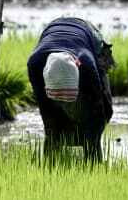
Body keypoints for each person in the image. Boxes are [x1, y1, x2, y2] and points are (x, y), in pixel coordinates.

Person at [27, 17, 114, 161]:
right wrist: (53, 129)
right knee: (51, 126)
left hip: (88, 33)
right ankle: (52, 163)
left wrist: (91, 136)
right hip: (52, 29)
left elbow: (99, 105)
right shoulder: (35, 64)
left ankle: (94, 162)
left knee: (99, 114)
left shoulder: (87, 64)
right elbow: (44, 108)